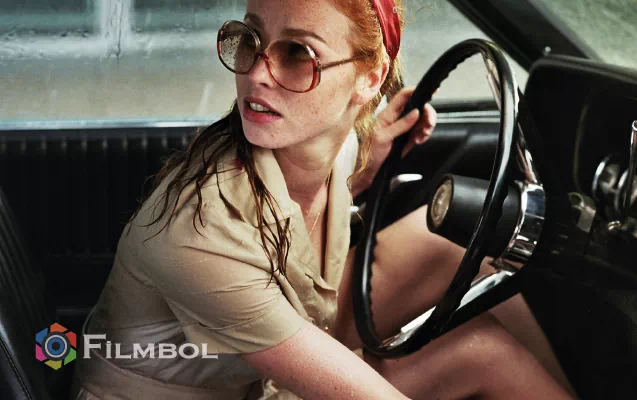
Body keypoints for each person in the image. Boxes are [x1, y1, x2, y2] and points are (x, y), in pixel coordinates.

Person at [70, 0, 574, 398]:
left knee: (456, 245)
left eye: (296, 53)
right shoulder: (197, 232)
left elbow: (320, 184)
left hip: (258, 355)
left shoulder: (320, 146)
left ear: (369, 79)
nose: (256, 74)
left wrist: (370, 165)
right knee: (483, 352)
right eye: (250, 41)